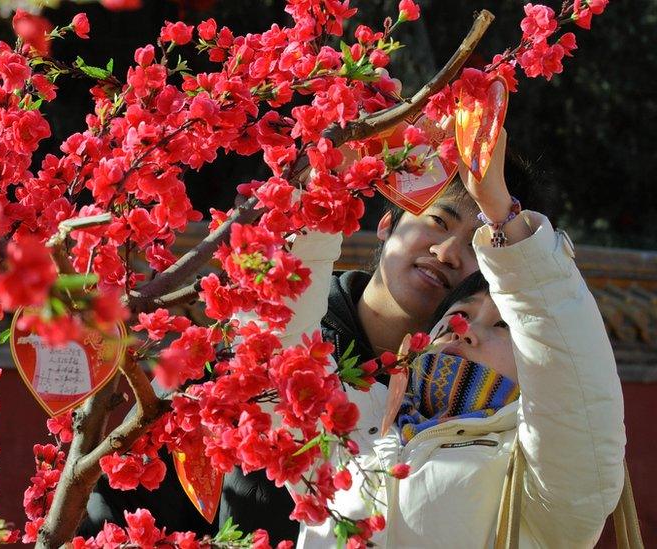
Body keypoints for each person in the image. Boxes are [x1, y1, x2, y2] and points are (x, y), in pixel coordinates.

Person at [83, 156, 490, 541]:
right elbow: (122, 506)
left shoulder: (467, 408)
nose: (448, 252)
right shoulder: (248, 347)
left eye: (475, 245)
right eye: (437, 221)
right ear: (386, 223)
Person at [288, 131, 626, 547]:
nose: (447, 252)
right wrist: (321, 189)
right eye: (460, 316)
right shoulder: (350, 433)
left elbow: (574, 377)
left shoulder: (543, 478)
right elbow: (279, 341)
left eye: (503, 326)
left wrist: (501, 213)